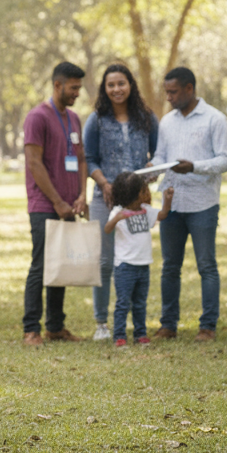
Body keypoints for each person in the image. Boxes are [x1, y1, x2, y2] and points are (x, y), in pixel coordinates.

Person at [150, 67, 227, 341]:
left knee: (206, 266)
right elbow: (161, 156)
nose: (169, 97)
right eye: (167, 92)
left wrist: (194, 167)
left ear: (189, 88)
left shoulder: (214, 119)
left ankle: (207, 326)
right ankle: (168, 325)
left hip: (203, 205)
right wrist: (150, 168)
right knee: (170, 267)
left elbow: (226, 159)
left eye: (173, 92)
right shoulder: (167, 121)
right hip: (171, 204)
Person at [83, 63, 159, 341]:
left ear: (131, 85)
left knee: (136, 257)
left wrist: (152, 167)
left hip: (138, 201)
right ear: (105, 89)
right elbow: (89, 158)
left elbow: (157, 152)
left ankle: (137, 325)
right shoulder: (97, 120)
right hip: (105, 198)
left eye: (121, 83)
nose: (116, 89)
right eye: (110, 85)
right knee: (104, 260)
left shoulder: (147, 117)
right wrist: (104, 183)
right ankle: (102, 323)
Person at [22, 62, 90, 346]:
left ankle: (55, 326)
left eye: (79, 88)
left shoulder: (73, 118)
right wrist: (58, 202)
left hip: (69, 205)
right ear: (58, 85)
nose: (77, 93)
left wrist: (82, 195)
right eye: (73, 87)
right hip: (44, 205)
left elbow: (82, 158)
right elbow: (34, 163)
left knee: (61, 264)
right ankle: (31, 329)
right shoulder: (37, 117)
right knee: (41, 265)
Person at [103, 172, 173, 347]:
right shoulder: (118, 212)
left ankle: (140, 334)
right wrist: (118, 218)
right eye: (143, 190)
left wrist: (168, 200)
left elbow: (162, 215)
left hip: (143, 265)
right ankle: (119, 336)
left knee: (140, 303)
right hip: (125, 266)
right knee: (123, 303)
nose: (146, 193)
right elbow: (107, 229)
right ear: (133, 193)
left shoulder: (146, 211)